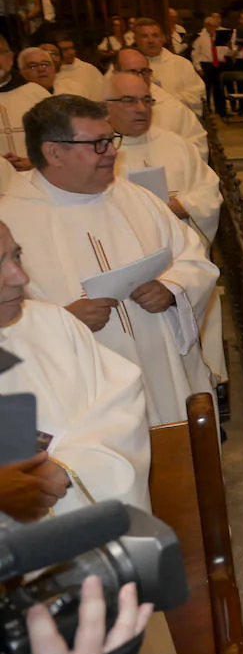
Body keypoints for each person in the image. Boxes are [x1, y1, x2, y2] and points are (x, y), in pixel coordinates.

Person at [0, 220, 191, 654]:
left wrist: (68, 468)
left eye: (15, 255)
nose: (19, 277)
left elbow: (119, 399)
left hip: (92, 575)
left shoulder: (50, 325)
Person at [0, 96, 218, 427]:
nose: (113, 151)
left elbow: (193, 258)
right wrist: (62, 323)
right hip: (82, 406)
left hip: (164, 375)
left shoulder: (137, 199)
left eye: (110, 139)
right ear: (53, 152)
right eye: (98, 144)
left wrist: (171, 289)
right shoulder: (11, 221)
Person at [106, 71, 226, 392]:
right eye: (129, 101)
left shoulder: (176, 145)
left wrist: (181, 205)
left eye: (146, 100)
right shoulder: (102, 154)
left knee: (194, 317)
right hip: (130, 267)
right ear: (107, 106)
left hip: (180, 259)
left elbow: (210, 190)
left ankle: (206, 387)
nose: (140, 108)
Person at [112, 51, 208, 161]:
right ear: (116, 74)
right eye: (131, 72)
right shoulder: (106, 110)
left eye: (144, 71)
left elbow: (198, 146)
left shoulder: (173, 107)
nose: (139, 78)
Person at [132, 18, 204, 116]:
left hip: (176, 121)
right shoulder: (126, 66)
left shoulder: (181, 64)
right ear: (135, 40)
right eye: (144, 36)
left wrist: (167, 101)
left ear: (163, 38)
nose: (151, 40)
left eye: (155, 35)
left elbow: (197, 93)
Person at [1, 51, 51, 170]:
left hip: (36, 176)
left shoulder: (36, 93)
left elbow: (63, 138)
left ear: (10, 57)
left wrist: (36, 162)